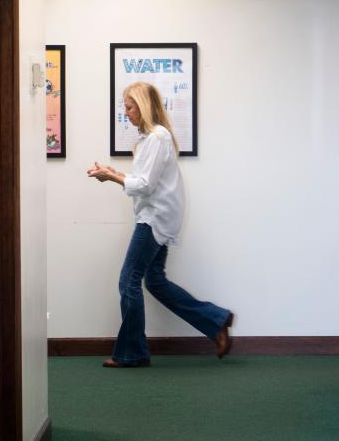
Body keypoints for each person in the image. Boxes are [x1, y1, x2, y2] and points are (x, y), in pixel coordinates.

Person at [87, 81, 234, 368]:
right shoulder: (150, 139)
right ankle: (216, 320)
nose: (126, 112)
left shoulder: (157, 137)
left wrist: (112, 177)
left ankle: (132, 352)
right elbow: (145, 180)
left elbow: (144, 184)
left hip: (153, 219)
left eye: (128, 107)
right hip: (159, 217)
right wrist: (115, 172)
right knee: (154, 281)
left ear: (142, 106)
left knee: (128, 280)